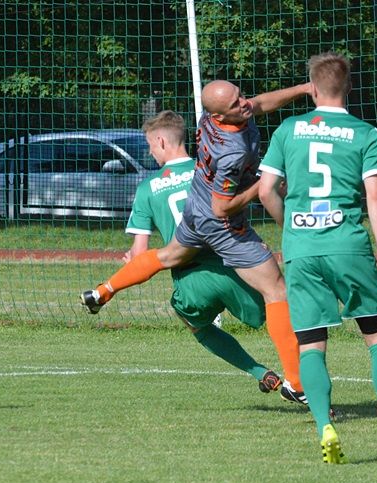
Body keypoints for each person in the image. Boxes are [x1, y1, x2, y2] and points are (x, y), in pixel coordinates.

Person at [81, 80, 312, 403]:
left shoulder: (210, 119)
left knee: (168, 255)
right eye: (235, 104)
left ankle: (104, 290)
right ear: (219, 114)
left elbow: (258, 104)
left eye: (240, 96)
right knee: (276, 291)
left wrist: (302, 89)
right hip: (219, 222)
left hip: (195, 212)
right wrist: (261, 187)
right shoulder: (232, 151)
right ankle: (297, 383)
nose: (244, 104)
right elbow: (223, 207)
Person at [257, 51, 377, 463]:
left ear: (312, 88)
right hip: (348, 246)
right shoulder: (366, 134)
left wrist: (292, 227)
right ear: (348, 87)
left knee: (311, 344)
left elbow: (265, 191)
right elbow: (375, 197)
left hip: (302, 249)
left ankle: (324, 427)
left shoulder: (288, 130)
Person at [125, 109, 284, 397]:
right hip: (237, 265)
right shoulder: (210, 170)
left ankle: (258, 371)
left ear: (161, 141)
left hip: (192, 280)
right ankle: (300, 380)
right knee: (279, 308)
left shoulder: (147, 188)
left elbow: (140, 254)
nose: (151, 154)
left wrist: (133, 262)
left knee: (193, 322)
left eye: (150, 146)